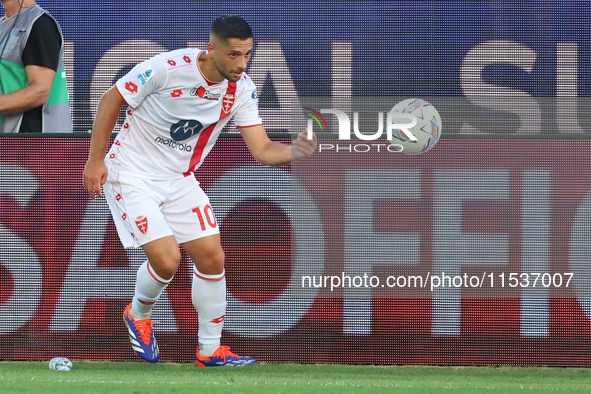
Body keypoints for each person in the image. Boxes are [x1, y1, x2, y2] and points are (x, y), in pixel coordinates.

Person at [83, 15, 317, 366]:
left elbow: (263, 150)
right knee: (167, 260)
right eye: (234, 55)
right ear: (212, 49)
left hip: (178, 179)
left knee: (212, 256)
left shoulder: (242, 90)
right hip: (130, 172)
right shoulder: (168, 67)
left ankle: (209, 351)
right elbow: (109, 99)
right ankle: (138, 313)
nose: (242, 64)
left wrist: (295, 151)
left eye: (248, 55)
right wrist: (95, 161)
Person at [0, 0, 71, 133]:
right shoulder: (3, 25)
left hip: (34, 145)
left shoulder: (39, 24)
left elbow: (40, 91)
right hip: (7, 142)